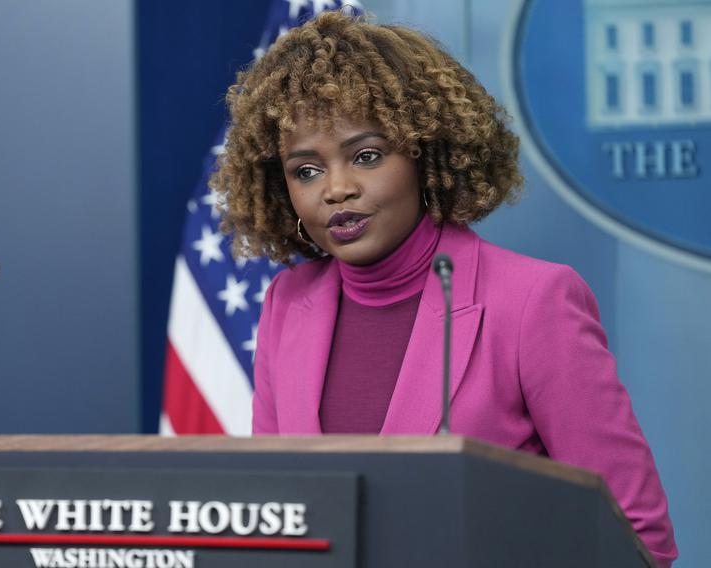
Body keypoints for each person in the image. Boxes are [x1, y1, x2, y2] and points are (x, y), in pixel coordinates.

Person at [210, 10, 677, 567]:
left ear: (424, 155)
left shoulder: (533, 301)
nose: (336, 189)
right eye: (306, 170)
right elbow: (281, 527)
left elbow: (637, 536)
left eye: (366, 156)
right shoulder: (288, 306)